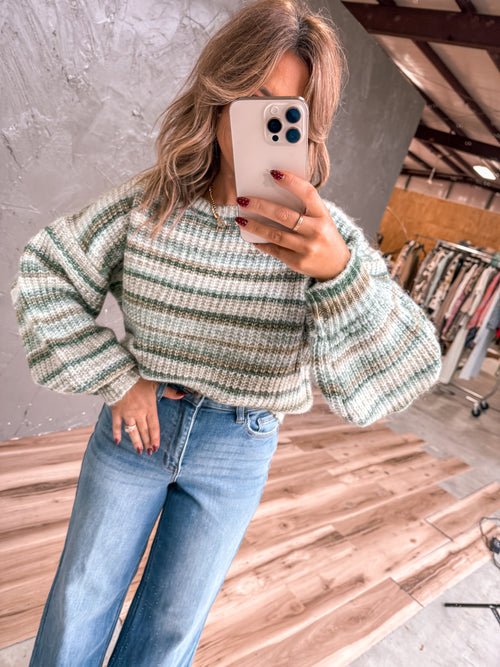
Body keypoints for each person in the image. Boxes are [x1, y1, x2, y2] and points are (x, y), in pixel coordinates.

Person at [10, 0, 442, 665]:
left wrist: (341, 274)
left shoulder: (322, 240)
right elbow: (44, 272)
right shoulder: (148, 207)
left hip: (238, 446)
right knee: (80, 599)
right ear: (217, 97)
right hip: (135, 432)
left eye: (288, 111)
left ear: (309, 129)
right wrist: (116, 377)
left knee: (171, 627)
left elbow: (407, 366)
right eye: (252, 100)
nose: (265, 125)